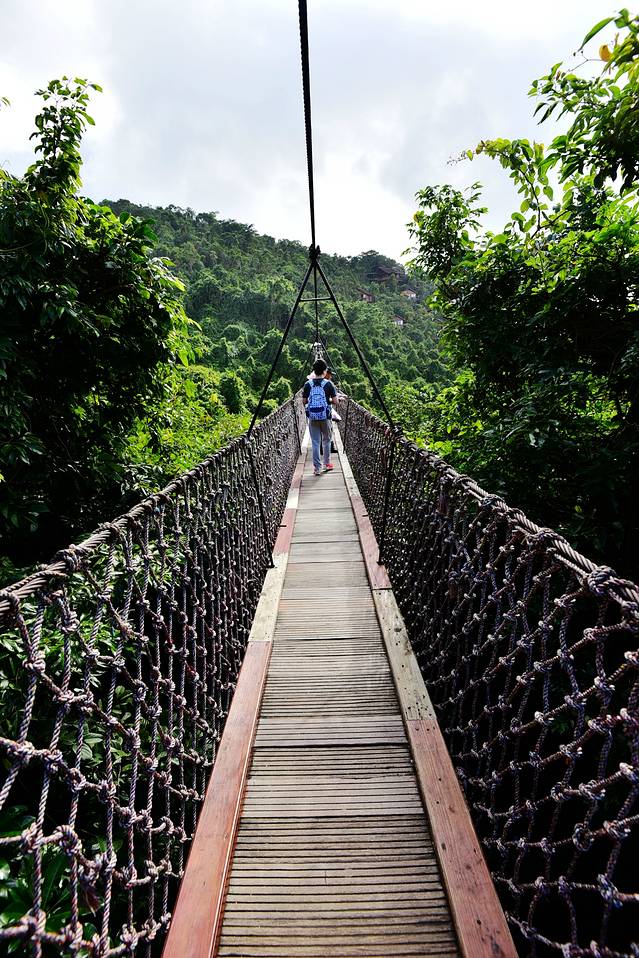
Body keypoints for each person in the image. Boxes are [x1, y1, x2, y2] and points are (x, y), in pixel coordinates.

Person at [303, 359, 337, 476]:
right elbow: (336, 401)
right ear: (325, 370)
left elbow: (304, 401)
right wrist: (329, 400)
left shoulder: (308, 384)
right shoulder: (328, 384)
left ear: (314, 370)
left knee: (315, 442)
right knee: (326, 440)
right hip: (325, 416)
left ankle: (317, 468)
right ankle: (327, 464)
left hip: (312, 417)